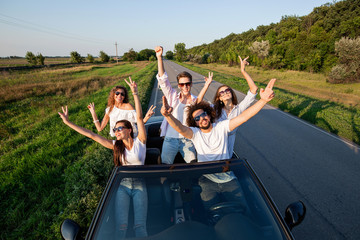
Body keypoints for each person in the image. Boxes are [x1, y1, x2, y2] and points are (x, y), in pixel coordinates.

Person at [160, 78, 276, 212]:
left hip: (229, 179)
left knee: (244, 211)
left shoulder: (222, 127)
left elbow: (244, 116)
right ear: (195, 123)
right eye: (197, 118)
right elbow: (180, 128)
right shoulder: (195, 134)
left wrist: (263, 101)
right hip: (206, 181)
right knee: (210, 214)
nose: (201, 119)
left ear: (209, 115)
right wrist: (168, 116)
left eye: (203, 115)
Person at [59, 77, 148, 239]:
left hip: (141, 185)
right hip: (123, 186)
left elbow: (140, 119)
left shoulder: (140, 141)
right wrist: (68, 122)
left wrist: (135, 93)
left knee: (140, 226)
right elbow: (93, 134)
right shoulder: (116, 146)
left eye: (119, 128)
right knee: (121, 227)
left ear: (129, 129)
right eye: (115, 129)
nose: (116, 131)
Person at [196, 56, 258, 156]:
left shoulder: (239, 108)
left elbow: (254, 90)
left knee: (226, 163)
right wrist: (207, 85)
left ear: (231, 93)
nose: (225, 93)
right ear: (219, 98)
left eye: (227, 90)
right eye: (221, 93)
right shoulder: (214, 108)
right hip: (214, 142)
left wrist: (243, 71)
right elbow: (198, 103)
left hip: (229, 143)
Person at [155, 46, 197, 164]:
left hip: (188, 139)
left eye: (187, 84)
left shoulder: (196, 101)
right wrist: (159, 58)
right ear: (178, 85)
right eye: (182, 84)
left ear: (191, 84)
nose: (185, 87)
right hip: (170, 139)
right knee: (165, 167)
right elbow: (163, 80)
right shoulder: (172, 96)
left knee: (193, 165)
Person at [87, 85, 156, 138]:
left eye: (122, 94)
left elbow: (140, 122)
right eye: (117, 93)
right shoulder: (109, 109)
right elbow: (99, 128)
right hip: (120, 138)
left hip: (131, 137)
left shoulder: (128, 106)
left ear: (124, 97)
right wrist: (93, 113)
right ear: (113, 95)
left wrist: (147, 117)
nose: (119, 95)